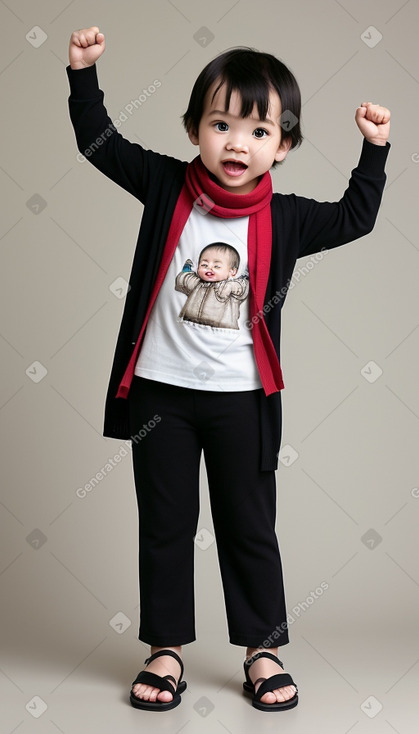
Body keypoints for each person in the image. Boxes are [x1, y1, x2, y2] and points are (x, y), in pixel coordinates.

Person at [67, 26, 391, 713]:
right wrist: (84, 74)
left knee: (249, 525)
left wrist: (373, 149)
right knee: (165, 522)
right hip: (160, 393)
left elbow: (357, 216)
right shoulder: (162, 185)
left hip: (241, 401)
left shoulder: (289, 219)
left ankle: (261, 650)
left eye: (257, 130)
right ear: (193, 130)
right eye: (220, 124)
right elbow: (98, 142)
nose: (236, 143)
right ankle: (165, 649)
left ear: (284, 145)